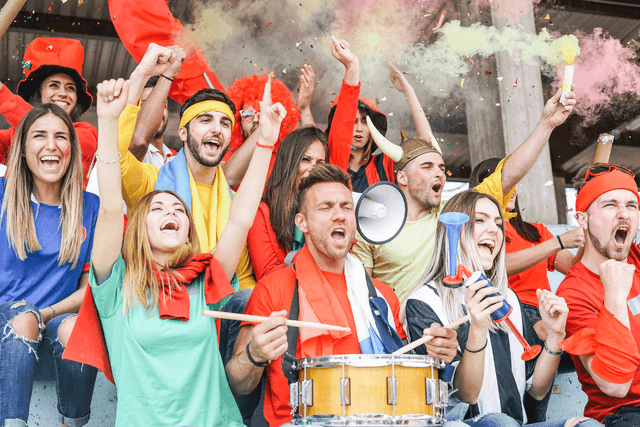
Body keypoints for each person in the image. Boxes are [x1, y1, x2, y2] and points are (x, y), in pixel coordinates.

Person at [81, 71, 286, 425]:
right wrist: (108, 120)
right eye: (157, 208)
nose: (171, 211)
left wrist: (266, 142)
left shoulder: (205, 282)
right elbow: (112, 206)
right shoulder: (116, 287)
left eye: (178, 209)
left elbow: (240, 218)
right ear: (139, 229)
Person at [352, 86, 577, 303]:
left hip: (450, 335)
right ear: (402, 178)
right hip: (400, 337)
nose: (439, 174)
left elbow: (507, 175)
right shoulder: (372, 228)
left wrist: (546, 124)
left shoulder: (455, 213)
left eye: (441, 168)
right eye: (427, 167)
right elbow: (364, 295)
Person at [225, 164, 408, 427]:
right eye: (326, 207)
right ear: (303, 223)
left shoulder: (382, 297)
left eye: (346, 207)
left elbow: (403, 381)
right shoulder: (272, 289)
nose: (339, 215)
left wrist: (435, 354)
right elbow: (236, 384)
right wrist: (255, 353)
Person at [403, 190, 600, 427]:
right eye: (480, 220)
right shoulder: (424, 302)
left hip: (516, 423)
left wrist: (555, 336)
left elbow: (536, 390)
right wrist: (477, 329)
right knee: (500, 422)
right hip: (464, 423)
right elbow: (466, 395)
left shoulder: (509, 299)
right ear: (453, 233)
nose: (495, 229)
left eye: (498, 223)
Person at [116, 43, 255, 289]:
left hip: (220, 312)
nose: (216, 128)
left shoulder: (236, 203)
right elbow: (117, 157)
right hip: (158, 305)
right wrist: (141, 75)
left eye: (224, 123)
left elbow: (242, 279)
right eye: (205, 120)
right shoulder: (152, 184)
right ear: (182, 132)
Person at [0, 104, 99, 426]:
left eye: (60, 136)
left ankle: (72, 422)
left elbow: (90, 291)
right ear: (23, 148)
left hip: (51, 330)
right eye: (39, 135)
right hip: (5, 331)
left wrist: (44, 315)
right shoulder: (2, 194)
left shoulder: (89, 206)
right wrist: (29, 317)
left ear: (71, 148)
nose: (51, 145)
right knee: (23, 318)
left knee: (77, 327)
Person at [556, 164, 640, 424]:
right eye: (610, 205)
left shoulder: (636, 258)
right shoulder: (573, 293)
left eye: (632, 205)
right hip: (625, 414)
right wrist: (614, 297)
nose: (623, 214)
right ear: (582, 219)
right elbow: (615, 385)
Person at [470, 157, 585, 340]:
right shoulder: (479, 232)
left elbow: (574, 268)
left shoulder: (536, 231)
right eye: (505, 182)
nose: (513, 189)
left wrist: (588, 230)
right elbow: (494, 267)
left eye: (515, 183)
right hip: (508, 311)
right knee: (551, 333)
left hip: (547, 309)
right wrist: (558, 242)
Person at [0, 37, 96, 188]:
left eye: (70, 88)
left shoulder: (86, 135)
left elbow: (47, 126)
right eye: (54, 85)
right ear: (38, 93)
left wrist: (2, 94)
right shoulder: (14, 135)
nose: (63, 93)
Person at [247, 126, 328, 280]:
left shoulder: (331, 212)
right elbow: (267, 277)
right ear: (288, 163)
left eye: (320, 163)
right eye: (305, 160)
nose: (313, 170)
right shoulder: (261, 213)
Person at [223, 74, 301, 185]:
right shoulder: (227, 156)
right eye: (248, 114)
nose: (255, 119)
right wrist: (263, 126)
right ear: (238, 122)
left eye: (260, 113)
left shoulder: (286, 160)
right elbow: (227, 180)